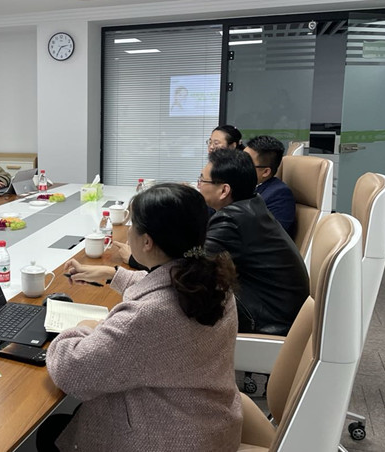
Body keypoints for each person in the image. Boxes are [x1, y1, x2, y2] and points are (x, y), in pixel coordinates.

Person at [38, 184, 242, 452]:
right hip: (210, 424)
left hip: (171, 439)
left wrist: (83, 328)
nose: (129, 231)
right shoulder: (214, 282)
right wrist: (113, 274)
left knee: (49, 433)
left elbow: (71, 372)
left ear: (147, 241)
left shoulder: (145, 317)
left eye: (133, 224)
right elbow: (166, 286)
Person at [198, 149, 308, 334]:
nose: (198, 185)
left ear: (224, 190)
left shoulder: (231, 219)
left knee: (187, 293)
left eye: (202, 180)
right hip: (274, 310)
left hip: (266, 321)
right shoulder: (250, 205)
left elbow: (196, 262)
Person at [244, 135, 296, 236]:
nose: (238, 165)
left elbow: (269, 237)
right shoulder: (243, 186)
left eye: (246, 163)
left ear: (265, 172)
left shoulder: (279, 195)